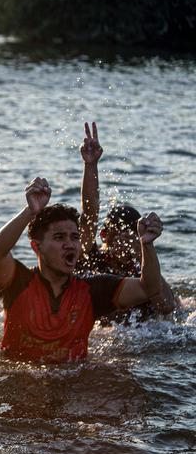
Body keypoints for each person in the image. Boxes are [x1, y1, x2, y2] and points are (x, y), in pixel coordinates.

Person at [0, 176, 166, 364]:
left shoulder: (91, 291)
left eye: (74, 237)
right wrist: (29, 212)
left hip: (72, 384)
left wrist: (147, 245)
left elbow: (149, 288)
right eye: (59, 237)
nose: (70, 244)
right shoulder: (18, 282)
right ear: (36, 247)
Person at [76, 122, 178, 317]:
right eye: (119, 235)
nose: (124, 243)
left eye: (130, 236)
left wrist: (143, 249)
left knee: (178, 308)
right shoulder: (90, 257)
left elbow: (167, 306)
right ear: (104, 235)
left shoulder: (141, 268)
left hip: (139, 328)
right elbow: (89, 215)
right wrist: (91, 165)